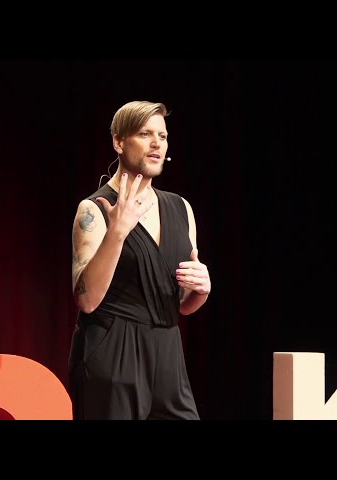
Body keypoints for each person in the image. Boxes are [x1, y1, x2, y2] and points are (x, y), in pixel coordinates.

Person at [67, 100, 211, 420]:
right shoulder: (94, 210)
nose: (157, 143)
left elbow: (181, 304)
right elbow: (86, 300)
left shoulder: (180, 208)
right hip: (113, 352)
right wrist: (117, 232)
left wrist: (200, 290)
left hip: (167, 353)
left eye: (163, 135)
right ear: (119, 142)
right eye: (145, 134)